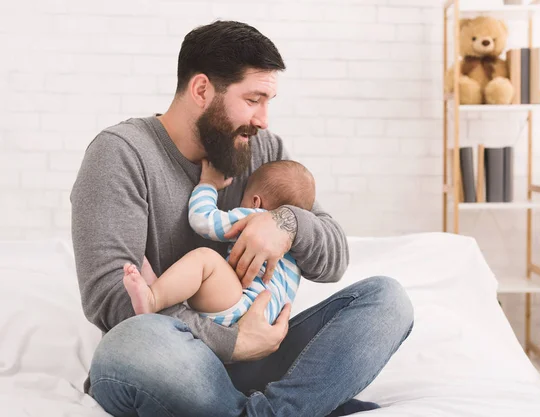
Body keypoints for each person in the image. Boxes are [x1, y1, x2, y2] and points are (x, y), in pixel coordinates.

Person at [71, 20, 414, 417]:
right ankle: (300, 406)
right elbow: (110, 300)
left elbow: (333, 260)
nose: (264, 119)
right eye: (253, 100)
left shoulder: (261, 148)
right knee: (131, 341)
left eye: (268, 101)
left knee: (387, 300)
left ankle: (267, 412)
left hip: (258, 360)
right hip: (172, 357)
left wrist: (287, 222)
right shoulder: (120, 154)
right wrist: (232, 342)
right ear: (202, 90)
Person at [123, 159, 314, 327]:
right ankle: (161, 290)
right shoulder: (297, 248)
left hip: (241, 307)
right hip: (266, 321)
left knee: (205, 259)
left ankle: (153, 298)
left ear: (256, 202)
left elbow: (203, 219)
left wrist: (208, 184)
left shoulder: (258, 218)